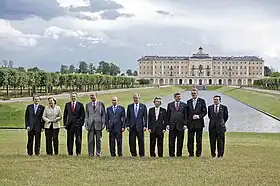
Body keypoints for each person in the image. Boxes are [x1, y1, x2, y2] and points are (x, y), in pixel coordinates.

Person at [186, 88, 207, 157]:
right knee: (190, 139)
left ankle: (198, 153)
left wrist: (199, 116)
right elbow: (187, 113)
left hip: (199, 123)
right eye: (192, 93)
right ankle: (191, 153)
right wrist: (186, 123)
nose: (193, 94)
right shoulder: (188, 101)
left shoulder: (202, 101)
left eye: (194, 93)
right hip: (191, 124)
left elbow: (205, 112)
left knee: (199, 140)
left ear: (197, 93)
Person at [166, 92, 187, 157]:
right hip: (172, 126)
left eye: (180, 97)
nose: (179, 98)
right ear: (175, 97)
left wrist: (185, 124)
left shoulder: (184, 105)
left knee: (180, 141)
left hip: (180, 126)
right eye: (177, 97)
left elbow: (186, 115)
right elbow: (168, 115)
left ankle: (179, 154)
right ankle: (171, 154)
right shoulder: (170, 104)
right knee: (171, 141)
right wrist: (167, 124)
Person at [85, 92, 106, 157]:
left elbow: (103, 114)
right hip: (90, 125)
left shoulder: (101, 104)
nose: (92, 97)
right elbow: (86, 115)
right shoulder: (87, 105)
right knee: (90, 140)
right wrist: (86, 124)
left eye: (93, 95)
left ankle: (98, 153)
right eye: (91, 95)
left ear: (96, 96)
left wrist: (103, 123)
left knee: (98, 140)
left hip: (98, 124)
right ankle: (91, 153)